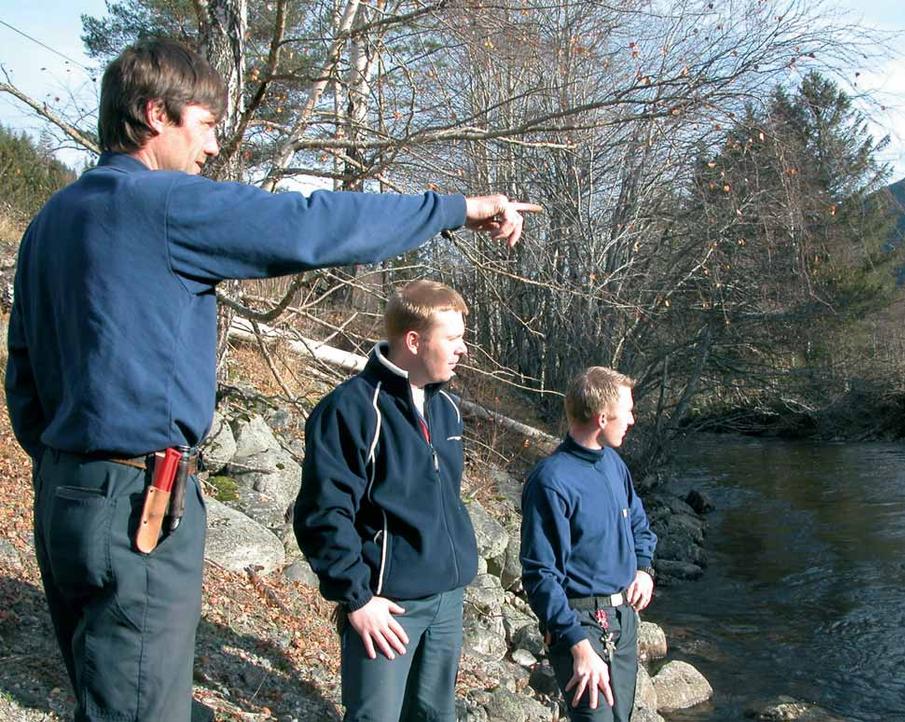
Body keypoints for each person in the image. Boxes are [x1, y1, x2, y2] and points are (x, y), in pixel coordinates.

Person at [5, 38, 540, 722]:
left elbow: (22, 378)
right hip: (138, 502)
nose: (211, 148)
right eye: (204, 125)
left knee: (104, 693)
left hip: (64, 493)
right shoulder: (165, 204)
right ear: (153, 115)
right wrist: (454, 208)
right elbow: (311, 225)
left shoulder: (51, 220)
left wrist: (72, 469)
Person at [294, 280, 477, 721]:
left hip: (447, 601)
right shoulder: (351, 409)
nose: (463, 350)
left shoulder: (447, 409)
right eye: (452, 339)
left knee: (436, 716)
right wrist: (357, 598)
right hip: (388, 609)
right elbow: (323, 514)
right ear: (414, 341)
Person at [520, 367, 657, 721]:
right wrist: (577, 644)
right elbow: (540, 575)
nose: (631, 419)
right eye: (627, 411)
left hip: (624, 621)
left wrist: (644, 568)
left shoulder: (614, 464)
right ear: (601, 417)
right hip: (579, 624)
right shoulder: (551, 482)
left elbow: (639, 523)